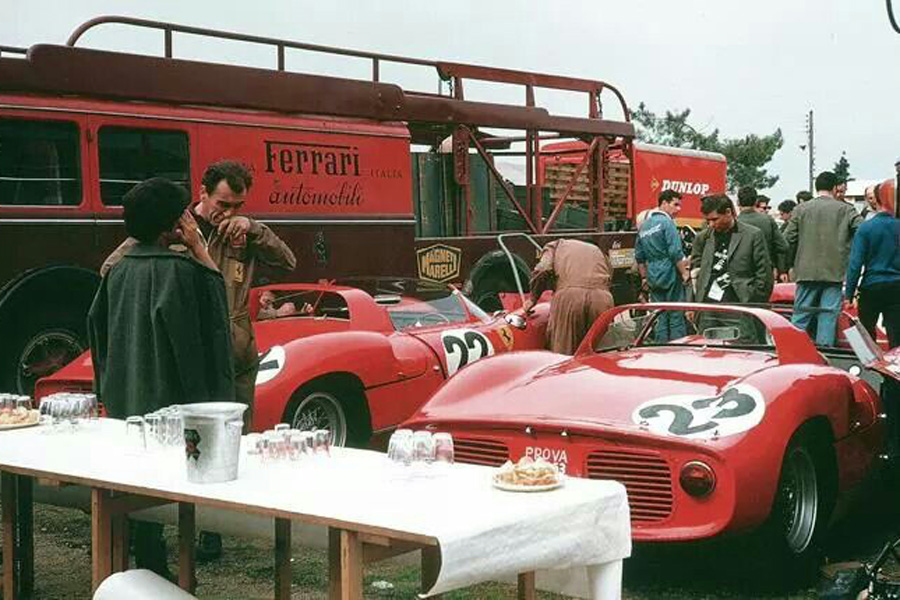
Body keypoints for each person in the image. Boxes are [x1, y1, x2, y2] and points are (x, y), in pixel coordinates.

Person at [88, 178, 235, 579]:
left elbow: (97, 330)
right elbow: (211, 325)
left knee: (134, 485)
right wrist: (200, 249)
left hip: (125, 391)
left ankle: (143, 559)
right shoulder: (181, 272)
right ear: (173, 225)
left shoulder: (118, 270)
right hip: (169, 401)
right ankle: (169, 572)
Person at [102, 161, 297, 425]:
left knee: (237, 428)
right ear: (203, 193)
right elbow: (112, 267)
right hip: (192, 344)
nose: (229, 213)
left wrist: (254, 228)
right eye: (223, 204)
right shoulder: (170, 224)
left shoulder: (247, 232)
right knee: (198, 428)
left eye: (238, 206)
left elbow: (288, 262)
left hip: (236, 349)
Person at [784, 171, 863, 346]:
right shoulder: (846, 209)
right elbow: (863, 231)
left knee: (801, 316)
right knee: (828, 316)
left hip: (805, 271)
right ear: (835, 188)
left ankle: (794, 349)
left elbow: (788, 239)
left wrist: (787, 265)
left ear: (816, 187)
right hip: (834, 272)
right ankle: (825, 353)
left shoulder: (800, 209)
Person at [525, 238, 613, 354]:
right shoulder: (596, 250)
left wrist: (533, 299)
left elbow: (543, 269)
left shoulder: (553, 246)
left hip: (570, 297)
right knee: (601, 352)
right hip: (602, 298)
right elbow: (609, 274)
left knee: (564, 352)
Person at [845, 184, 900, 348]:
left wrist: (849, 294)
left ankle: (867, 368)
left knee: (865, 336)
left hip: (871, 286)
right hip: (897, 287)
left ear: (876, 201)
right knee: (896, 336)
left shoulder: (865, 228)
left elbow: (855, 264)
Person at [634, 190, 690, 342]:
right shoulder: (667, 223)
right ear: (664, 203)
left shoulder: (644, 227)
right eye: (675, 204)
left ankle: (660, 348)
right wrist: (684, 273)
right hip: (670, 271)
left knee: (659, 314)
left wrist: (644, 277)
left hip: (653, 273)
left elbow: (639, 257)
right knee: (676, 313)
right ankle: (678, 349)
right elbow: (675, 252)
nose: (678, 209)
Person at [736, 187, 789, 282]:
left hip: (739, 274)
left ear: (738, 202)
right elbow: (783, 246)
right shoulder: (768, 220)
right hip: (765, 272)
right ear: (756, 202)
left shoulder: (734, 223)